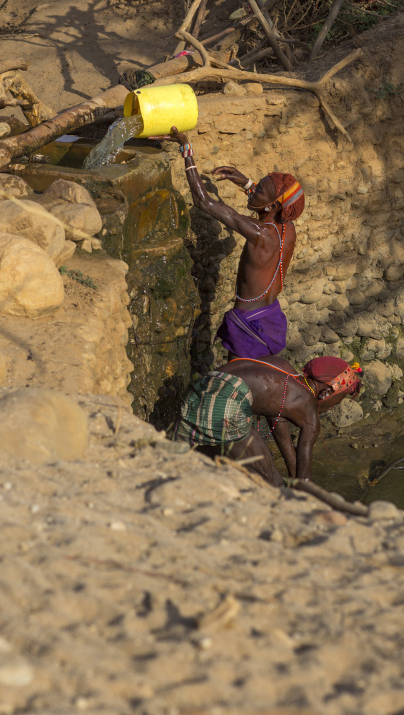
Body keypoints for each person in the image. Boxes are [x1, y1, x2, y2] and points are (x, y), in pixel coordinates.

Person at [155, 126, 305, 359]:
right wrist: (246, 184)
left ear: (273, 206)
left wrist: (186, 149)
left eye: (259, 189)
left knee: (237, 379)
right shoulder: (287, 227)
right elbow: (269, 207)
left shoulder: (260, 232)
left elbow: (202, 200)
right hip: (269, 317)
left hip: (248, 326)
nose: (254, 191)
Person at [173, 354, 362, 486]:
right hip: (225, 404)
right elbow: (304, 470)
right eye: (340, 399)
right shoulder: (307, 407)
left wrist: (293, 476)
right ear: (328, 391)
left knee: (195, 459)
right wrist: (304, 495)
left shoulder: (282, 371)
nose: (334, 406)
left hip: (201, 390)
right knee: (272, 482)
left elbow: (283, 438)